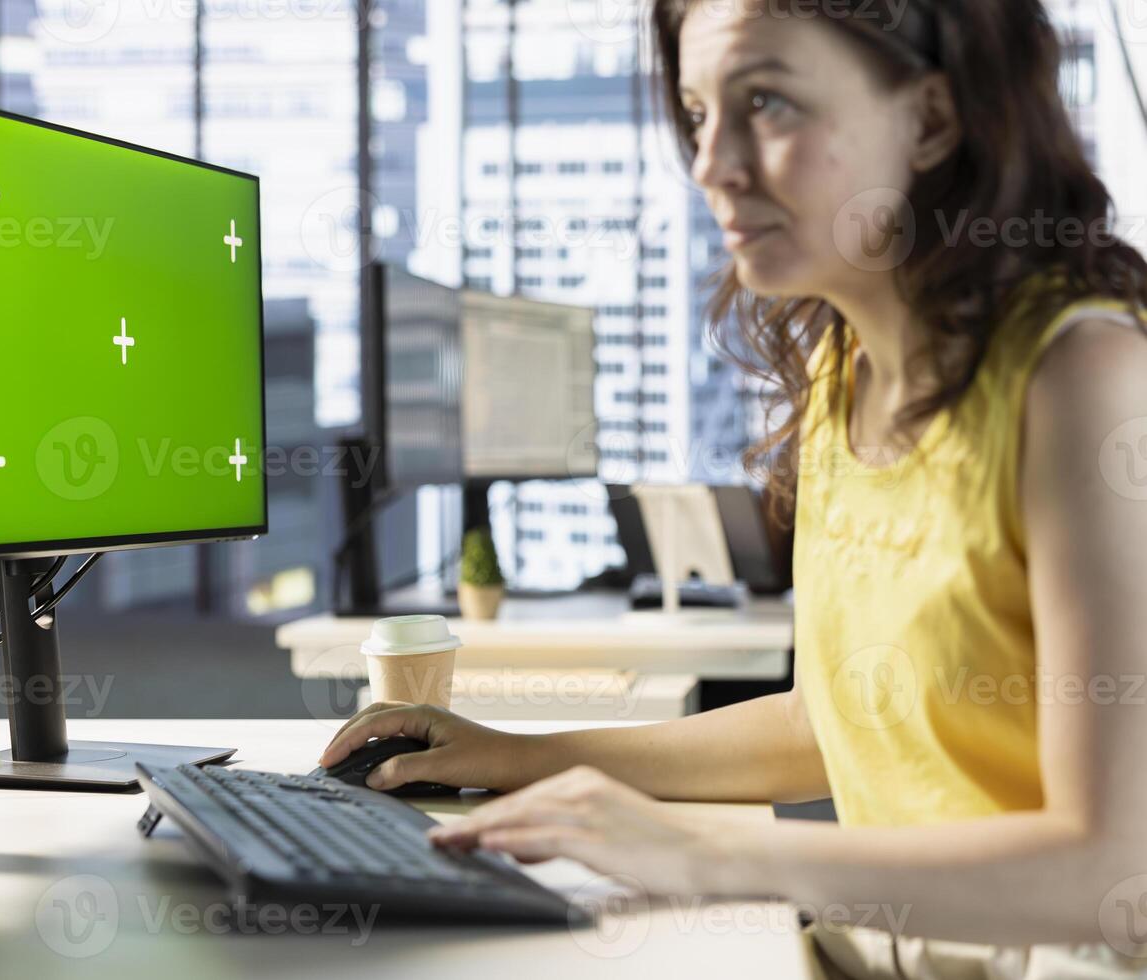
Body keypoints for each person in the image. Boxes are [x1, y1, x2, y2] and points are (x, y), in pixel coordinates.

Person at [318, 1, 1147, 976]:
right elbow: (816, 723)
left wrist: (708, 853)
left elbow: (1110, 866)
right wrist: (515, 753)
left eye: (769, 104)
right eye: (700, 114)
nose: (713, 164)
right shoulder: (848, 366)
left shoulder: (1083, 379)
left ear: (929, 120)